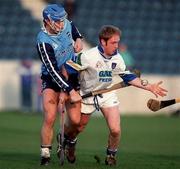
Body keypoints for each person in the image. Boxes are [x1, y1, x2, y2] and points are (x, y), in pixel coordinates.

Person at [62, 25, 168, 166]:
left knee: (115, 129)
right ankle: (70, 143)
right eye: (113, 42)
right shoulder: (87, 56)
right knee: (78, 127)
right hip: (87, 96)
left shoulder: (117, 58)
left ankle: (111, 155)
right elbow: (66, 69)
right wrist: (68, 90)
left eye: (118, 42)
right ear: (103, 42)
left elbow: (128, 77)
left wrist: (149, 86)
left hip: (107, 94)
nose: (116, 46)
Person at [36, 4, 83, 165]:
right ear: (48, 21)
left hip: (71, 74)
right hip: (51, 79)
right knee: (50, 117)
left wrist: (78, 38)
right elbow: (53, 71)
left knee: (76, 122)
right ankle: (45, 154)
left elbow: (73, 27)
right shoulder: (43, 42)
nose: (62, 25)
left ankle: (66, 139)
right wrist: (69, 90)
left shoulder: (65, 24)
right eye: (58, 21)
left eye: (63, 20)